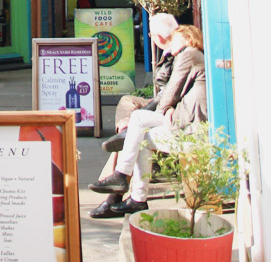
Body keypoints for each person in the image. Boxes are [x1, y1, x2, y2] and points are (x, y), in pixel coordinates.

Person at [88, 24, 207, 214]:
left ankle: (121, 176)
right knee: (140, 135)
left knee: (138, 119)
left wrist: (165, 109)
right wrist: (167, 109)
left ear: (187, 38)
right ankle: (136, 197)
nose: (170, 42)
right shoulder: (189, 55)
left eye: (175, 38)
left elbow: (170, 91)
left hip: (191, 125)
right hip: (187, 120)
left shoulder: (188, 54)